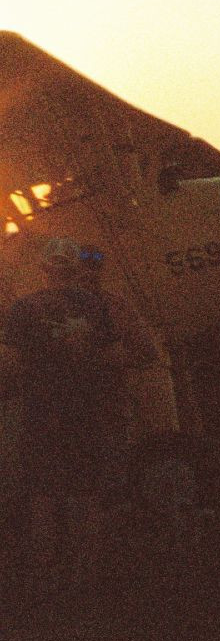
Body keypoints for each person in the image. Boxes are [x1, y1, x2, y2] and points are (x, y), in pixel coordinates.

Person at [1, 238, 136, 594]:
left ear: (43, 270)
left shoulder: (22, 309)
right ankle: (85, 577)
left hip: (41, 414)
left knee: (42, 497)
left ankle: (47, 579)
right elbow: (117, 356)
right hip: (87, 412)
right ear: (75, 268)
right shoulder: (96, 306)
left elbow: (9, 364)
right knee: (88, 494)